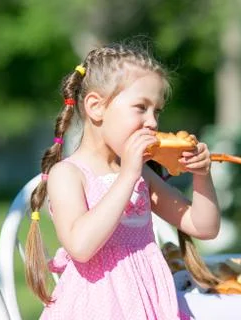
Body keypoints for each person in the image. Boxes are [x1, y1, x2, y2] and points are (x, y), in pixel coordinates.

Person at [24, 42, 221, 320]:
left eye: (157, 111)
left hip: (149, 305)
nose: (152, 122)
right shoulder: (68, 174)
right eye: (141, 107)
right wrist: (128, 175)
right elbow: (81, 246)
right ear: (96, 107)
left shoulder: (142, 175)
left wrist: (202, 177)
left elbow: (203, 226)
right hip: (97, 308)